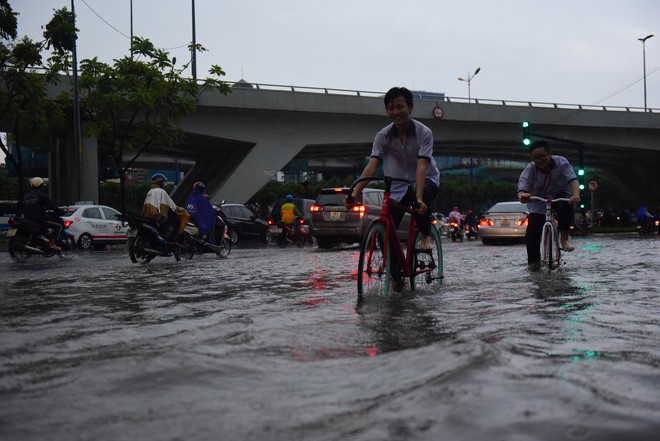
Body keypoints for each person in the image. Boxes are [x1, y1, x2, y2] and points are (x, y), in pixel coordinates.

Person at [348, 86, 440, 250]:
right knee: (386, 231)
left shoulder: (424, 133)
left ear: (410, 107)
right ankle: (395, 274)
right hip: (397, 186)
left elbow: (421, 166)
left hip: (426, 179)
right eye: (391, 108)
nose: (395, 112)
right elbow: (372, 165)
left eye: (400, 107)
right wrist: (355, 193)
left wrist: (418, 199)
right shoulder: (382, 136)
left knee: (420, 194)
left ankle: (426, 234)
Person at [517, 140, 580, 266]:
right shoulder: (530, 169)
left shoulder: (562, 162)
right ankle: (533, 263)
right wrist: (522, 195)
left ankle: (564, 240)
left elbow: (573, 181)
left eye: (542, 156)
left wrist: (575, 195)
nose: (540, 160)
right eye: (535, 158)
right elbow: (522, 186)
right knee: (532, 230)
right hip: (538, 201)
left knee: (564, 207)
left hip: (559, 196)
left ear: (550, 153)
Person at [21, 177, 63, 252]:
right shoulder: (42, 196)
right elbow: (52, 206)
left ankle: (43, 241)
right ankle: (52, 244)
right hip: (39, 219)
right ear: (41, 186)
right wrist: (60, 211)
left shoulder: (26, 196)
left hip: (27, 219)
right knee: (58, 225)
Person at [142, 173, 185, 243]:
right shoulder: (161, 191)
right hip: (157, 217)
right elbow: (171, 205)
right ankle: (172, 242)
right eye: (163, 182)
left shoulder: (150, 191)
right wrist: (180, 210)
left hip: (148, 217)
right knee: (176, 221)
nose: (164, 184)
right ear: (159, 182)